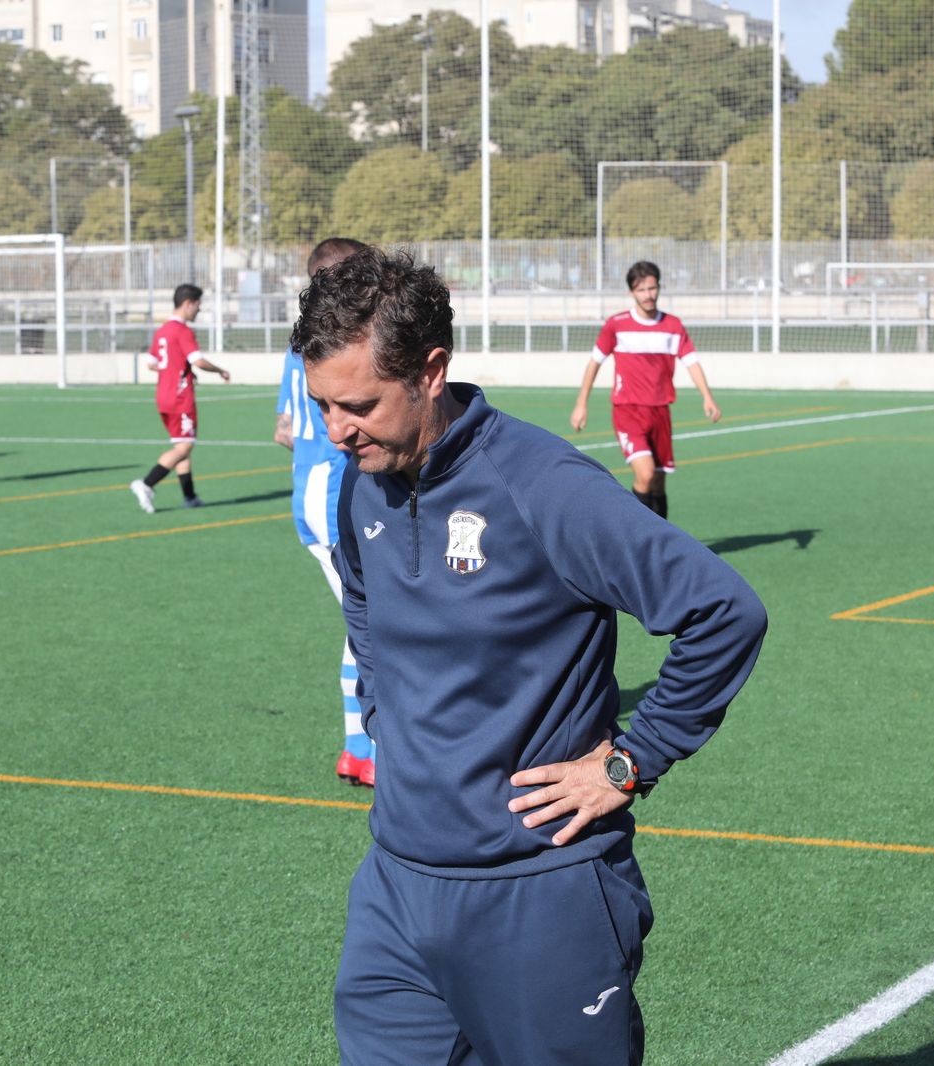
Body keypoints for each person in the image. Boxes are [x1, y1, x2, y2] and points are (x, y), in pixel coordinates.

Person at [293, 248, 766, 1065]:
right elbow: (362, 601)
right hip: (396, 893)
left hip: (539, 895)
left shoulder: (543, 485)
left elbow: (725, 612)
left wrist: (628, 762)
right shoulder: (356, 481)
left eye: (359, 405)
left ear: (431, 371)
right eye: (323, 406)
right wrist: (386, 715)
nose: (337, 431)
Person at [275, 237, 375, 788]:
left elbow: (284, 430)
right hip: (333, 496)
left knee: (362, 623)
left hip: (311, 493)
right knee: (377, 624)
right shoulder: (335, 345)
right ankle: (374, 749)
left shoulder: (303, 343)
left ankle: (358, 749)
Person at [570, 260, 722, 520]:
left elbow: (691, 362)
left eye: (652, 288)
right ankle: (637, 535)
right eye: (642, 290)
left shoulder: (673, 326)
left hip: (660, 412)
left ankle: (662, 542)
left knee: (659, 482)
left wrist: (707, 397)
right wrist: (581, 403)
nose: (648, 295)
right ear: (632, 292)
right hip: (628, 411)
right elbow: (594, 363)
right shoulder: (616, 325)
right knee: (646, 474)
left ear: (659, 288)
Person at [130, 284, 230, 512]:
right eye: (198, 306)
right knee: (184, 447)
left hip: (163, 396)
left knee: (181, 445)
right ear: (188, 304)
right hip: (179, 398)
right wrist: (220, 370)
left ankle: (190, 496)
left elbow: (152, 363)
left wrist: (178, 370)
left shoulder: (162, 330)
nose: (198, 311)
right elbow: (198, 360)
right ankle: (146, 484)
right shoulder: (182, 331)